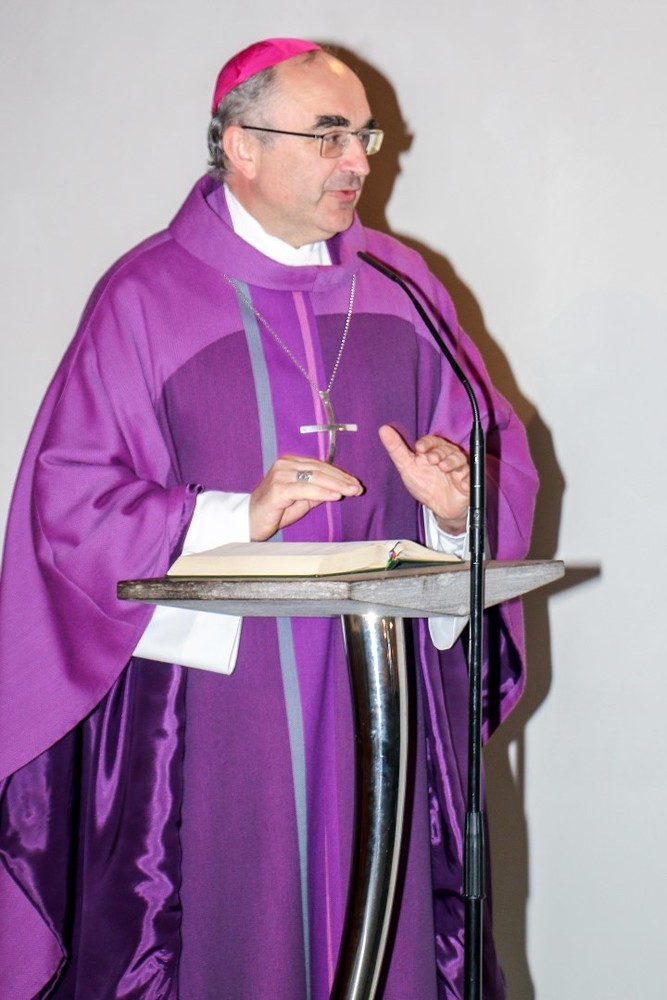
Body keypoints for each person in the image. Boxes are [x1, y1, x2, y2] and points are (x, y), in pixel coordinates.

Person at [0, 38, 538, 999]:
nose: (359, 160)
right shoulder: (145, 299)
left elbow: (491, 454)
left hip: (385, 697)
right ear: (241, 146)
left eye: (364, 135)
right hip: (214, 717)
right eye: (329, 135)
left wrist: (458, 513)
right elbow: (69, 502)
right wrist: (230, 516)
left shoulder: (403, 287)